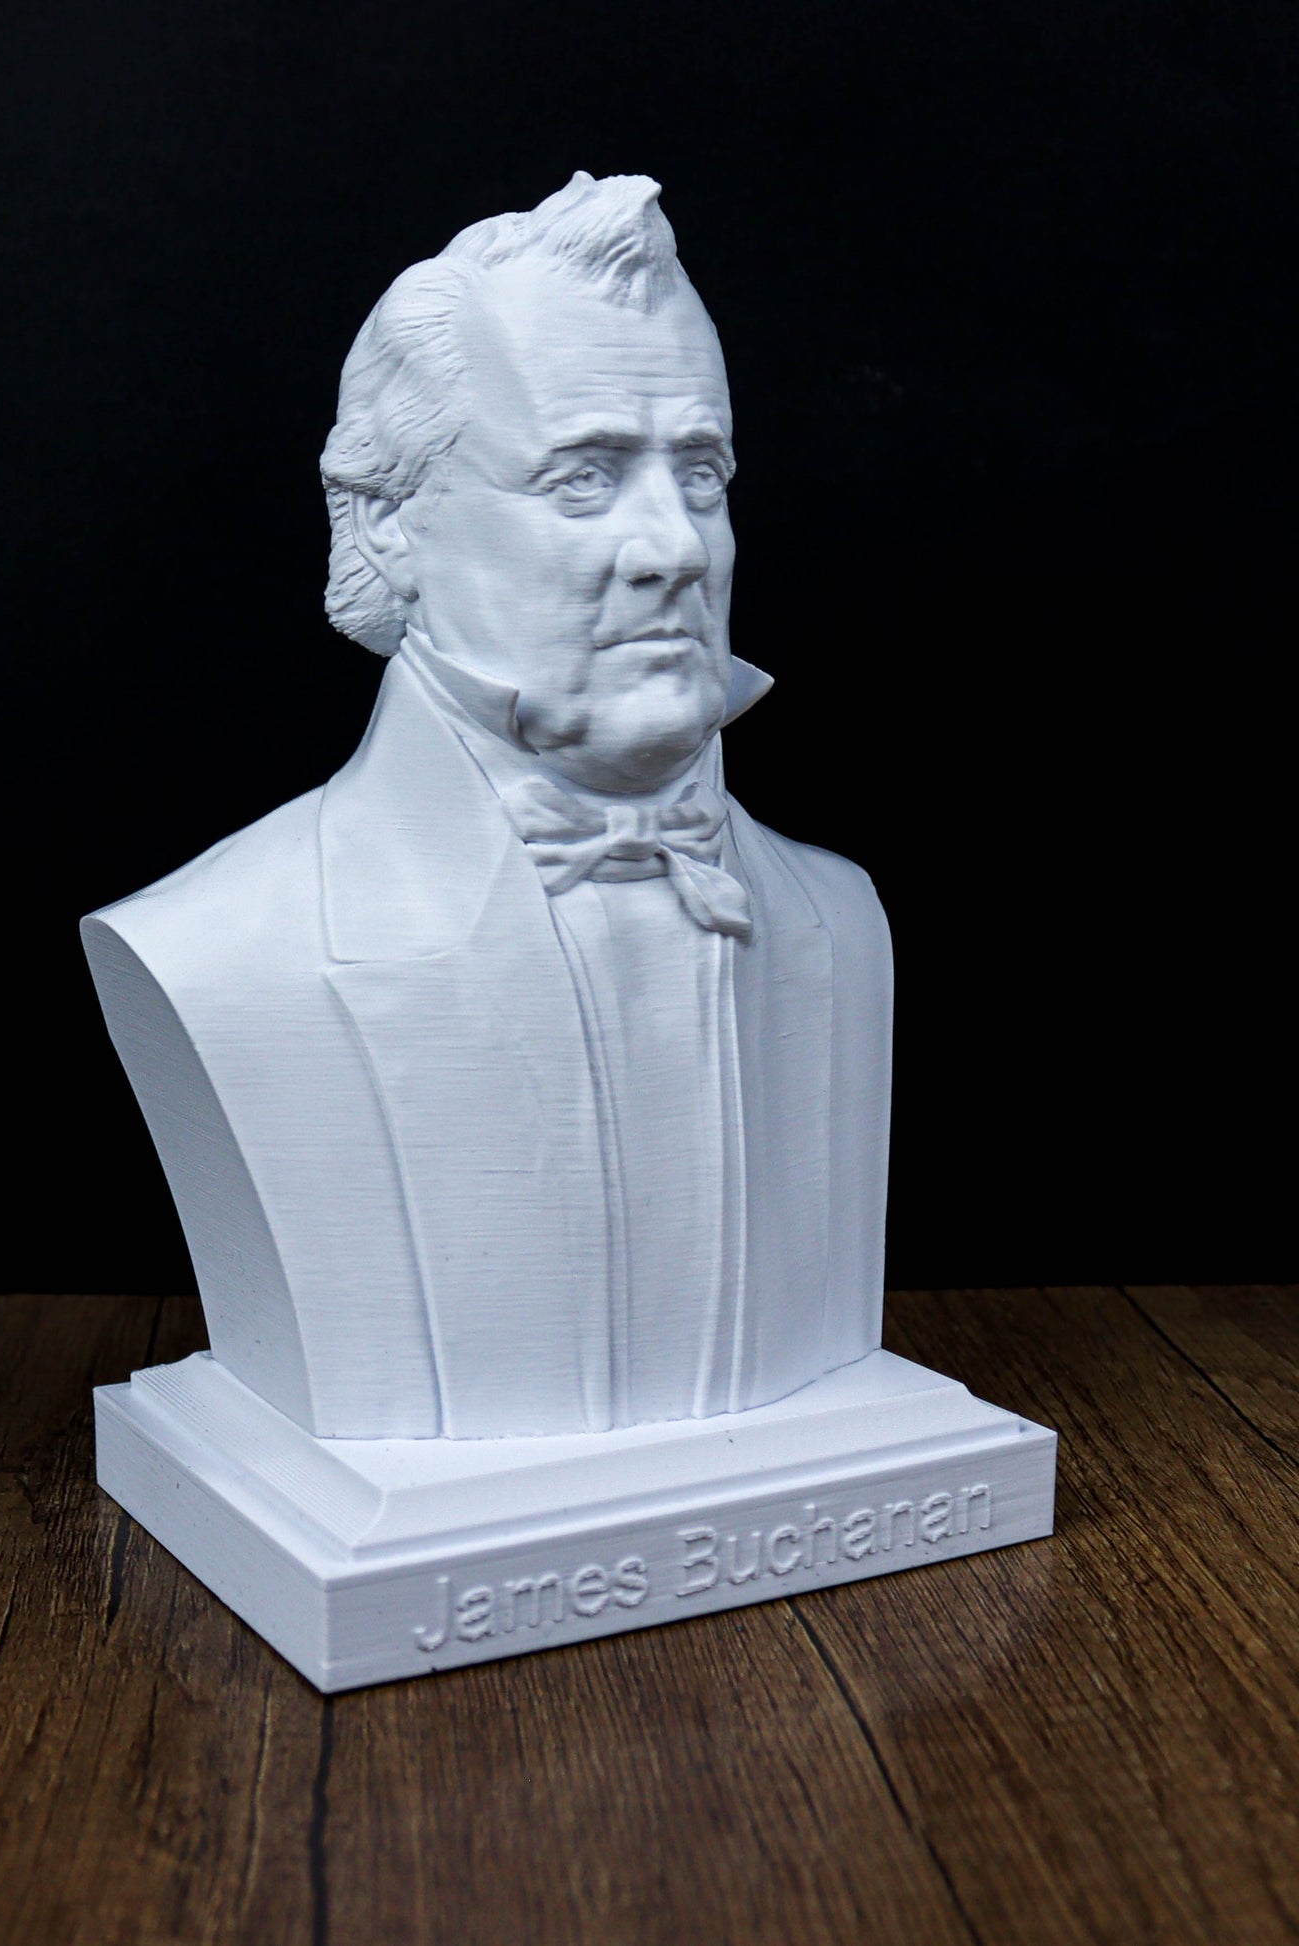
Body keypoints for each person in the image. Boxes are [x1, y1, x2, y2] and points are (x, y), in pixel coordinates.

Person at [84, 173, 892, 1438]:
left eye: (700, 473)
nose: (676, 547)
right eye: (581, 479)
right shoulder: (219, 950)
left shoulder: (837, 923)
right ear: (386, 524)